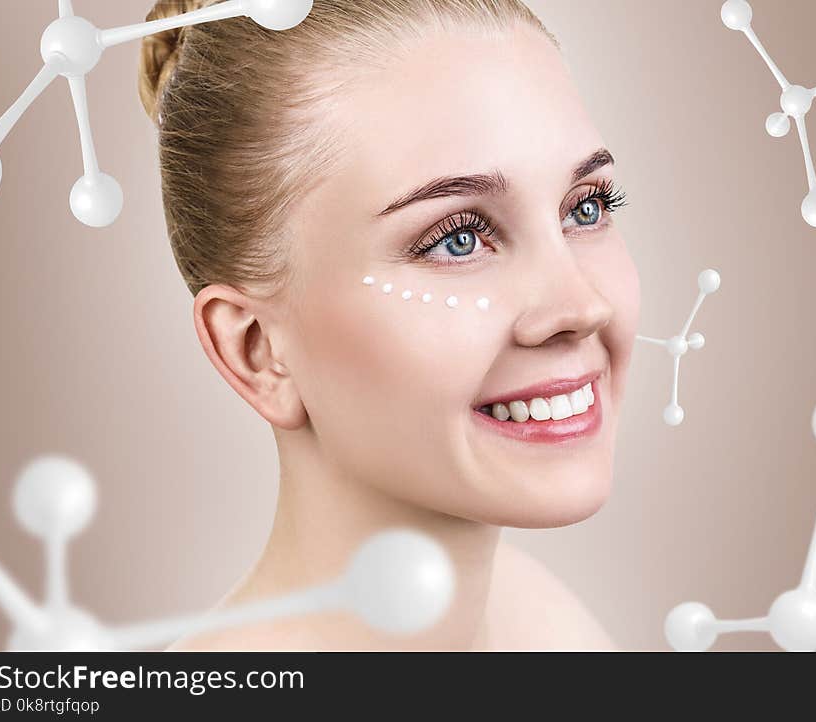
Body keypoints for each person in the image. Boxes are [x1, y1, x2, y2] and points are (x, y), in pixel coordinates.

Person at [138, 0, 640, 650]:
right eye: (458, 239)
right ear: (258, 351)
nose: (580, 306)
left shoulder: (544, 625)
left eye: (586, 207)